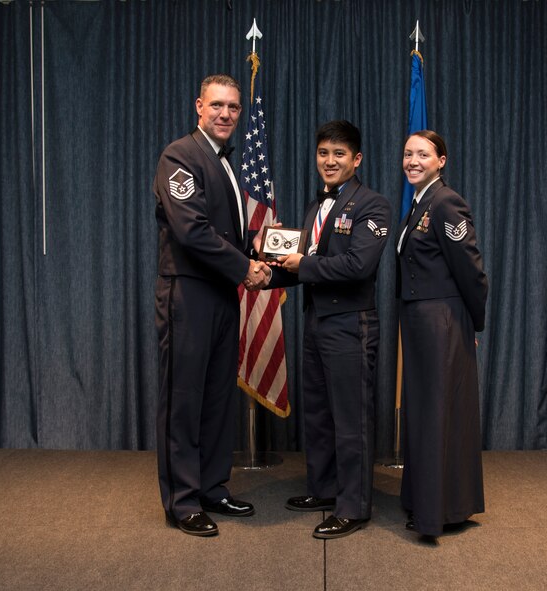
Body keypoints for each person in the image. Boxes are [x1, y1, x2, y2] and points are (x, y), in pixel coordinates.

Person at [152, 74, 270, 537]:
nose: (225, 114)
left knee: (218, 397)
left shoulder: (225, 162)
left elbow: (222, 231)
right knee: (185, 399)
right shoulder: (180, 155)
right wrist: (245, 266)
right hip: (189, 293)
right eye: (217, 105)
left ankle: (213, 487)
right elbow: (191, 232)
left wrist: (255, 246)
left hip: (221, 293)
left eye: (234, 108)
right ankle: (183, 502)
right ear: (198, 106)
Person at [262, 120, 391, 539]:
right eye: (323, 153)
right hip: (317, 321)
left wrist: (304, 266)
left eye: (339, 154)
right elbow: (300, 264)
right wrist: (265, 275)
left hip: (351, 323)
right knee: (318, 413)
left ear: (357, 160)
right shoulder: (316, 207)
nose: (329, 161)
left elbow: (359, 266)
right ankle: (323, 489)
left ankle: (353, 506)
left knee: (351, 417)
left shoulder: (373, 205)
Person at [396, 130, 488, 538]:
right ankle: (426, 501)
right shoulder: (419, 203)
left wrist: (472, 322)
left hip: (442, 321)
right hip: (420, 321)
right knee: (423, 413)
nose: (413, 160)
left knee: (435, 414)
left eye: (422, 154)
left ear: (441, 160)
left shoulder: (446, 202)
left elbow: (470, 269)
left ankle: (437, 513)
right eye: (407, 154)